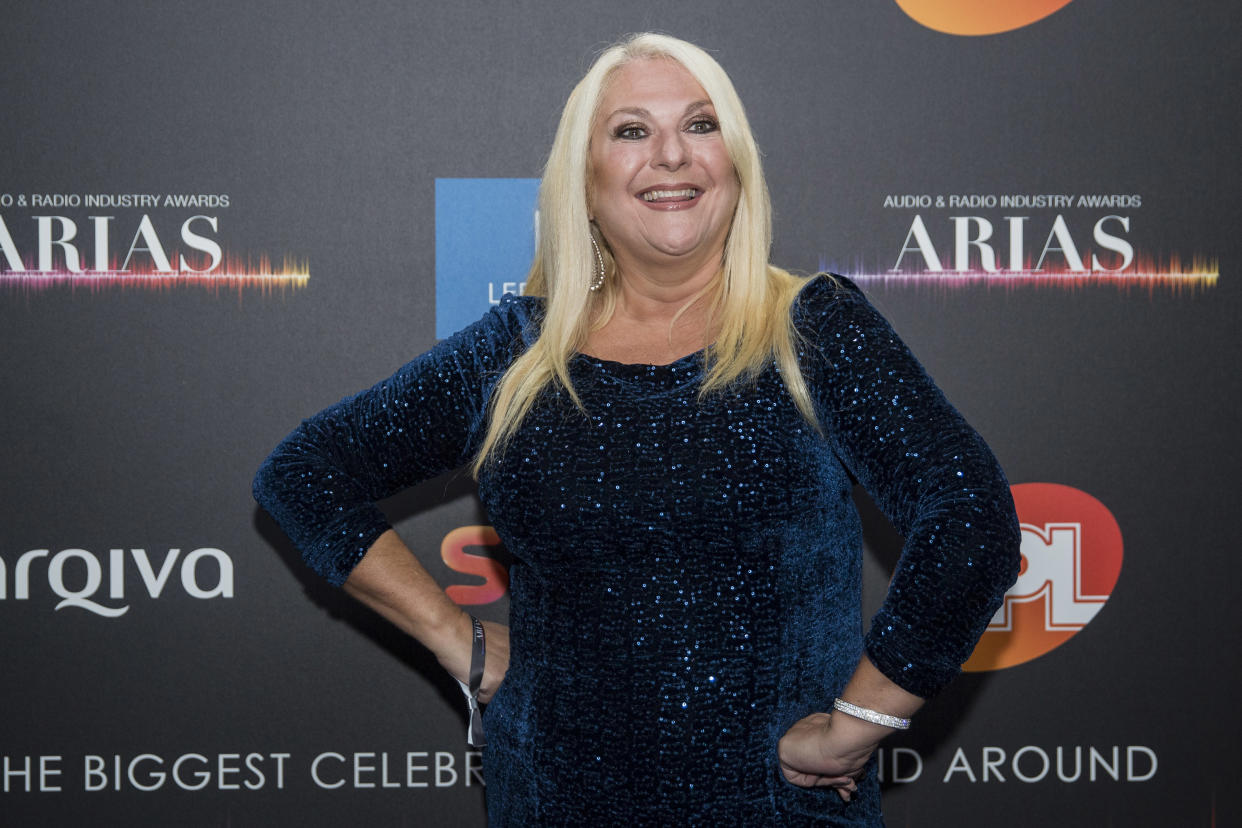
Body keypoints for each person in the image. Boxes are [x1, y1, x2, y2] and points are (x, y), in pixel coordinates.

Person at [253, 32, 1021, 826]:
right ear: (583, 183)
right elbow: (305, 474)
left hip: (775, 812)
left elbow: (972, 519)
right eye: (630, 131)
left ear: (737, 163)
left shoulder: (815, 329)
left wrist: (861, 725)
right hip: (553, 805)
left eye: (700, 124)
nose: (670, 156)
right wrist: (460, 643)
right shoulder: (513, 352)